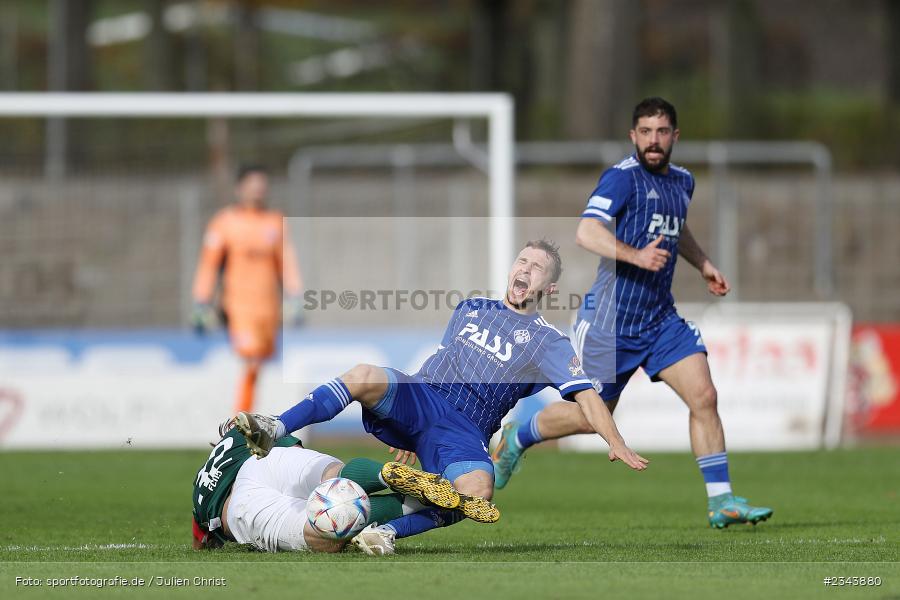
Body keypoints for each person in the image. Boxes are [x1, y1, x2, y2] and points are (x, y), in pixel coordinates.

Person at [235, 240, 648, 553]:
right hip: (421, 396)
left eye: (537, 268)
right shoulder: (470, 308)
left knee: (477, 493)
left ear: (550, 288)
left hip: (464, 431)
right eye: (523, 260)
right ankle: (276, 426)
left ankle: (384, 533)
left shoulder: (548, 342)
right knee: (363, 376)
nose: (526, 269)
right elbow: (440, 363)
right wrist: (408, 433)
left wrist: (616, 442)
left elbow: (587, 396)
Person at [491, 97, 773, 529]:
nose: (653, 141)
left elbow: (677, 229)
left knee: (704, 397)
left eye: (662, 132)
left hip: (660, 321)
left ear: (675, 136)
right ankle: (521, 434)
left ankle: (723, 502)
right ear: (633, 136)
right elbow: (587, 231)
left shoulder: (683, 181)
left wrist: (703, 264)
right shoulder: (622, 179)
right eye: (645, 132)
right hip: (609, 325)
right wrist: (635, 256)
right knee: (592, 419)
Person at [192, 416, 447, 555]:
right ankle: (382, 474)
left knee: (327, 533)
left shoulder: (199, 487)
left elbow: (202, 543)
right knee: (335, 478)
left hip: (240, 505)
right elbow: (295, 450)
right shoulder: (241, 433)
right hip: (264, 461)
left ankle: (410, 505)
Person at [191, 165, 304, 413]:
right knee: (250, 359)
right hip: (238, 307)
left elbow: (287, 261)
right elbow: (209, 263)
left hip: (268, 308)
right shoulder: (225, 222)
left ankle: (251, 421)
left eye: (261, 186)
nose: (257, 191)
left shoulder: (275, 221)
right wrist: (201, 299)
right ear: (239, 188)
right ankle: (238, 426)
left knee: (258, 365)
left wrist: (295, 295)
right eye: (252, 186)